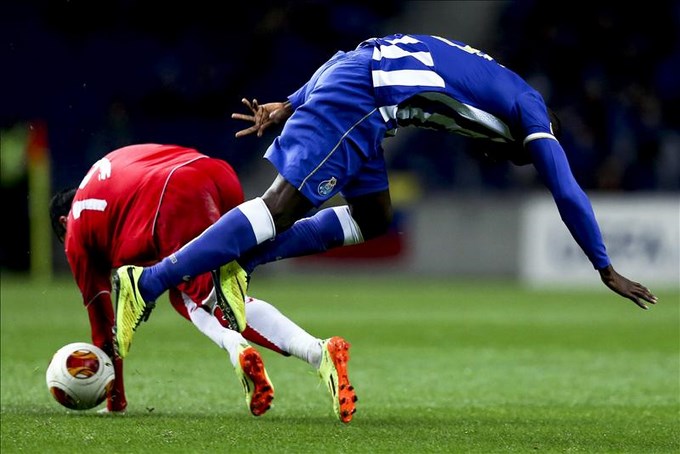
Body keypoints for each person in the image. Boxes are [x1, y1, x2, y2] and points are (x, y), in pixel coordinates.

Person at [112, 33, 658, 379]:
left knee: (373, 217)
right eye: (517, 156)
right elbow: (566, 188)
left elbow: (368, 47)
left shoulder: (491, 75)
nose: (503, 157)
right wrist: (603, 266)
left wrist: (294, 101)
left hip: (366, 91)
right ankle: (149, 281)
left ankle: (240, 263)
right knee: (279, 207)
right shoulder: (531, 109)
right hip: (365, 96)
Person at [50, 143, 357, 422]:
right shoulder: (105, 170)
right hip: (216, 174)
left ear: (64, 222)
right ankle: (241, 346)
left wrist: (115, 400)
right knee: (204, 284)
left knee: (210, 299)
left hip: (174, 197)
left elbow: (104, 325)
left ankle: (312, 351)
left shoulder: (76, 229)